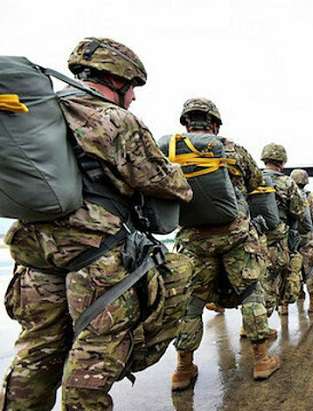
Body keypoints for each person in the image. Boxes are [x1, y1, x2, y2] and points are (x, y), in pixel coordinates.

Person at [0, 37, 193, 410]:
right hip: (96, 255)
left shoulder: (43, 111)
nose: (133, 96)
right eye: (132, 87)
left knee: (36, 354)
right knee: (94, 357)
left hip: (35, 256)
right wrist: (180, 181)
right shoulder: (114, 119)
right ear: (117, 80)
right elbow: (162, 181)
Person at [170, 98, 279, 388]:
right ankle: (261, 360)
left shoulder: (172, 150)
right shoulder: (233, 150)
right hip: (236, 235)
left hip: (193, 239)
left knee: (192, 302)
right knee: (251, 293)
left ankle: (183, 368)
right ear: (215, 124)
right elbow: (256, 185)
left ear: (186, 122)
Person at [258, 144, 306, 316]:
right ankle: (260, 322)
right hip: (277, 236)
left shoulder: (253, 179)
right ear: (282, 162)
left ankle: (252, 321)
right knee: (272, 277)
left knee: (256, 279)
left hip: (253, 235)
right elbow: (298, 211)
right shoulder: (287, 182)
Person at [290, 168, 313, 313]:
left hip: (288, 236)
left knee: (288, 269)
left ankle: (283, 307)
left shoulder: (285, 192)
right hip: (306, 238)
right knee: (310, 269)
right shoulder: (311, 196)